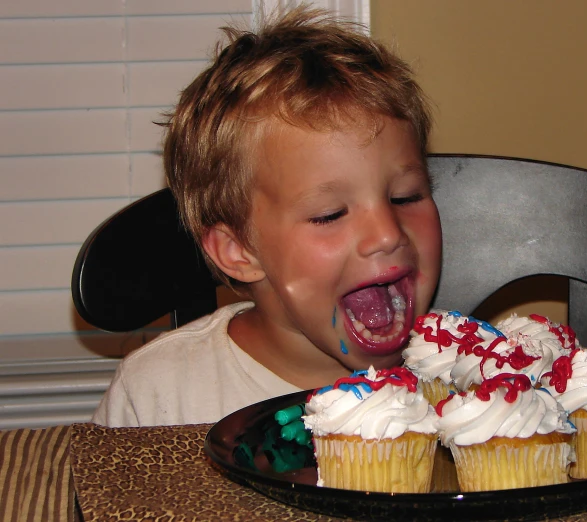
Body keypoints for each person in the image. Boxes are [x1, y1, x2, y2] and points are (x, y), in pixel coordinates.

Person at [91, 6, 442, 427]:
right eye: (329, 215)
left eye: (406, 197)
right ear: (239, 250)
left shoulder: (474, 381)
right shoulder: (158, 392)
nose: (387, 234)